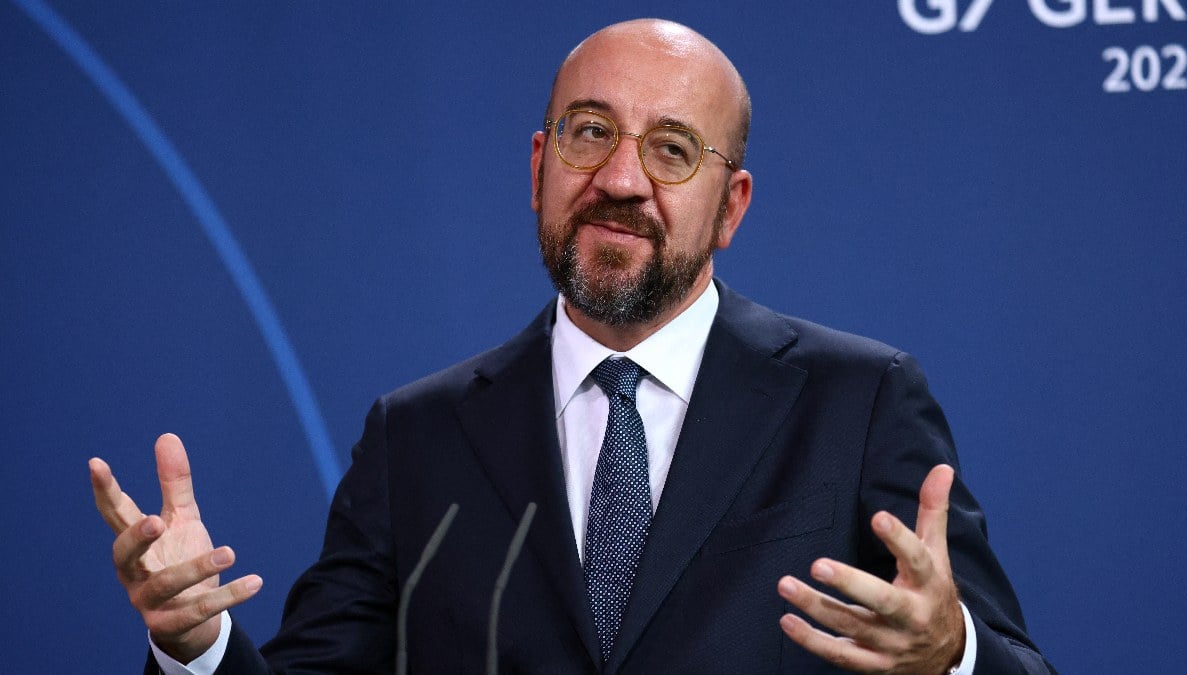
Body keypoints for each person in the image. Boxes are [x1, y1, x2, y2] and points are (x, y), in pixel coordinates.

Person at [91, 19, 1054, 674]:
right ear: (539, 166)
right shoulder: (415, 435)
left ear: (731, 207)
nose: (621, 179)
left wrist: (950, 653)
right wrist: (195, 645)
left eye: (672, 149)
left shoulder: (859, 400)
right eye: (590, 133)